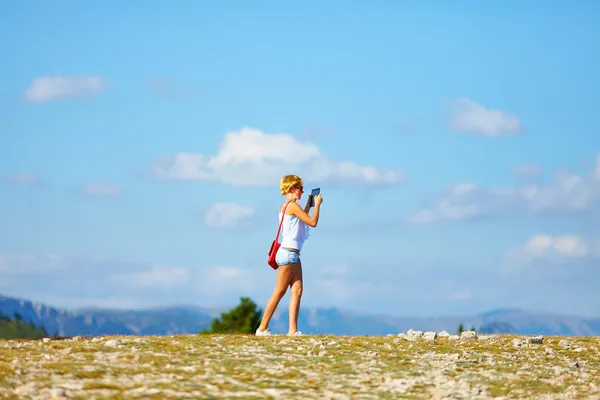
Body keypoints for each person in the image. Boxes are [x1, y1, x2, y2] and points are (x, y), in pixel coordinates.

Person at [256, 174, 323, 337]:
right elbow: (312, 222)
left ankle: (293, 330)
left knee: (297, 290)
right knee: (279, 291)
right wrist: (318, 205)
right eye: (300, 188)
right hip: (288, 253)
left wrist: (309, 204)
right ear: (292, 188)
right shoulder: (292, 206)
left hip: (292, 253)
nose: (302, 191)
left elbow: (302, 219)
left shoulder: (289, 206)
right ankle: (262, 328)